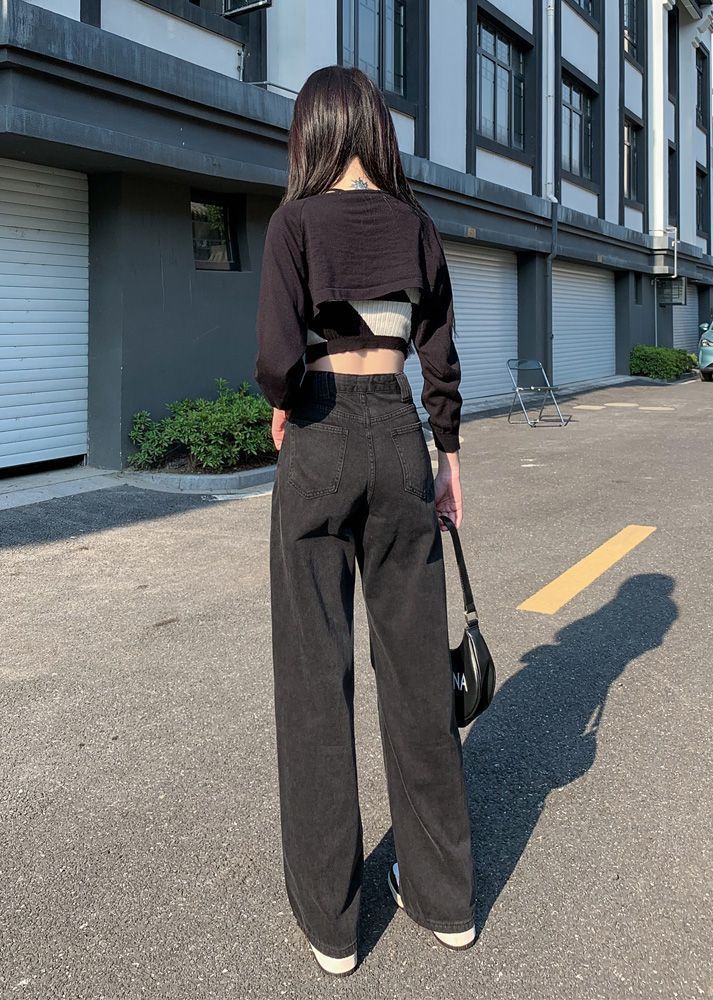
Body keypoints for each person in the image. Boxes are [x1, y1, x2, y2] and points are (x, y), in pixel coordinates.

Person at [253, 64, 476, 977]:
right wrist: (447, 454)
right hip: (397, 429)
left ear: (312, 132)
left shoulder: (295, 223)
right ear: (376, 128)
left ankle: (333, 925)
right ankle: (445, 900)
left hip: (319, 430)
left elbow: (277, 356)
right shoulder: (416, 225)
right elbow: (440, 351)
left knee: (316, 679)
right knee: (417, 674)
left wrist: (284, 400)